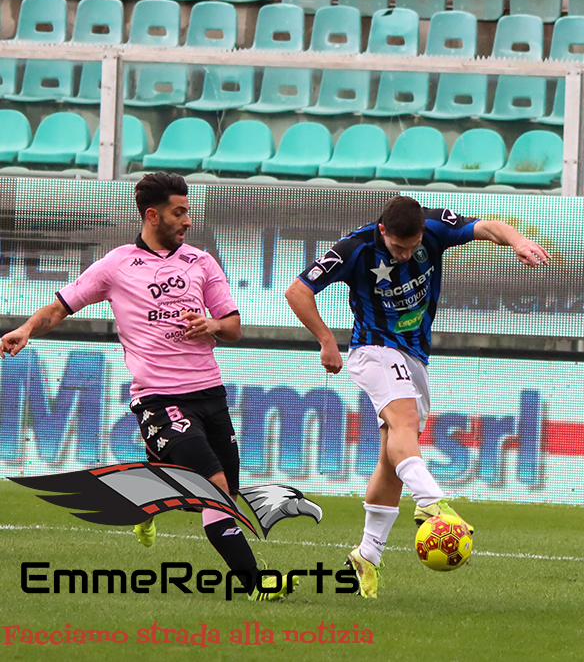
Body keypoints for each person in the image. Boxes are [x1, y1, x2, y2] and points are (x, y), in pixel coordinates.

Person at [0, 173, 287, 600]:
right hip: (157, 397)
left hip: (210, 394)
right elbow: (61, 305)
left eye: (188, 211)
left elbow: (233, 327)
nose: (188, 221)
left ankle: (146, 494)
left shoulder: (201, 263)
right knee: (217, 490)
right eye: (179, 212)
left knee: (225, 491)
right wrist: (25, 329)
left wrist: (213, 324)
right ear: (152, 216)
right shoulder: (116, 265)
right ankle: (258, 585)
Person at [285, 195, 549, 599]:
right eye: (397, 248)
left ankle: (366, 556)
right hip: (372, 350)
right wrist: (326, 341)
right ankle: (432, 503)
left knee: (393, 457)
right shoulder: (354, 249)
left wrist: (516, 241)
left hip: (415, 356)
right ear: (382, 231)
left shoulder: (435, 227)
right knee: (405, 424)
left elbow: (488, 226)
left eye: (413, 247)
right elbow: (297, 291)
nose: (406, 255)